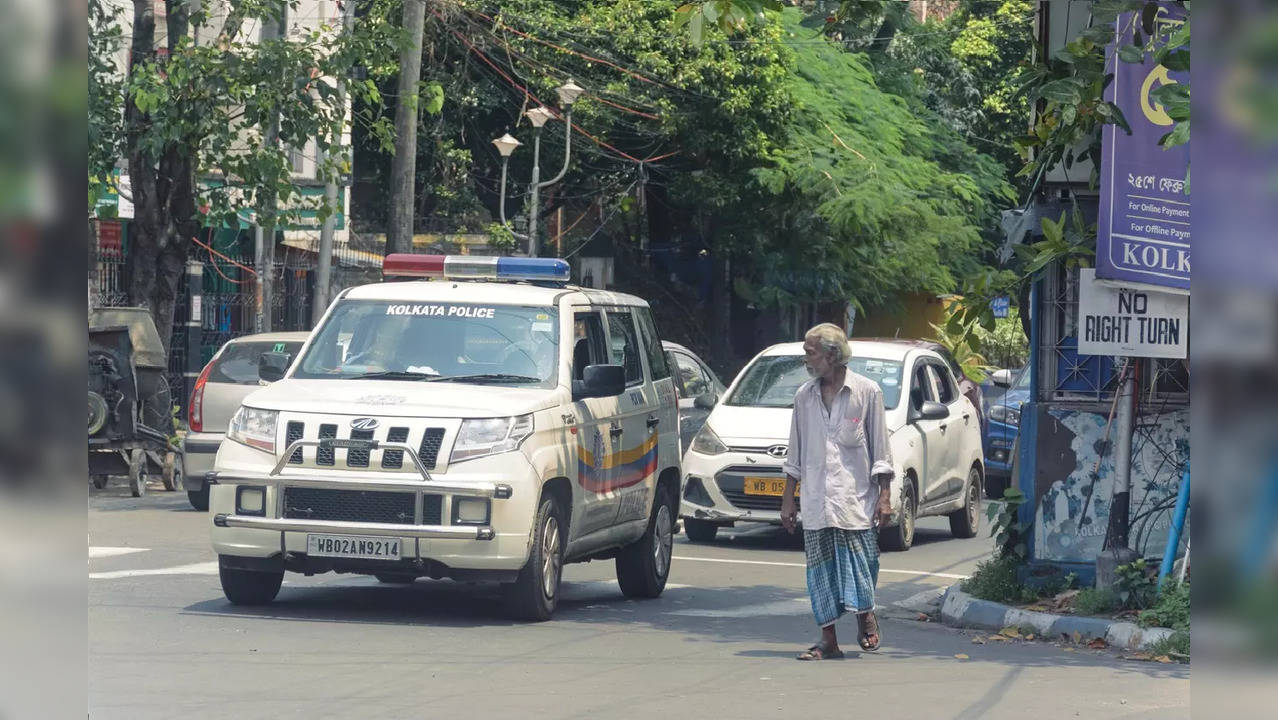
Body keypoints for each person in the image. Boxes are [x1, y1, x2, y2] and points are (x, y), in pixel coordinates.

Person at [781, 323, 894, 661]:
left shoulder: (867, 392)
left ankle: (865, 615)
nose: (805, 359)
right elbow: (795, 452)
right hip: (816, 500)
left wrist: (885, 497)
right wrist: (788, 499)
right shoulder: (804, 396)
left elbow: (881, 452)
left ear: (831, 355)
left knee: (862, 566)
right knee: (820, 574)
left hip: (854, 499)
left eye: (810, 352)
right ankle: (828, 640)